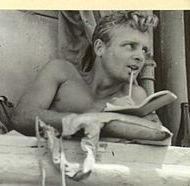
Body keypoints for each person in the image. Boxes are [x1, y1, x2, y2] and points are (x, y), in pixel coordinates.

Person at [11, 11, 159, 136]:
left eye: (144, 50)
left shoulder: (135, 95)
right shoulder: (61, 73)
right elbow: (21, 117)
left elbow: (158, 133)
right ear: (100, 48)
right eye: (130, 46)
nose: (140, 57)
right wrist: (100, 117)